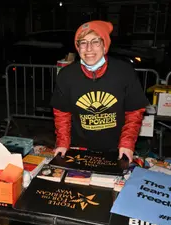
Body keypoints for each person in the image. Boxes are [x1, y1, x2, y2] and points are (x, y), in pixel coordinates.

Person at [51, 20, 149, 163]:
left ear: (105, 45)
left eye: (95, 41)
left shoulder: (124, 72)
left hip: (115, 148)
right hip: (79, 148)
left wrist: (127, 144)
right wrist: (62, 143)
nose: (89, 48)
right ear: (78, 48)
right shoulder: (66, 75)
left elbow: (134, 112)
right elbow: (62, 113)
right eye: (83, 42)